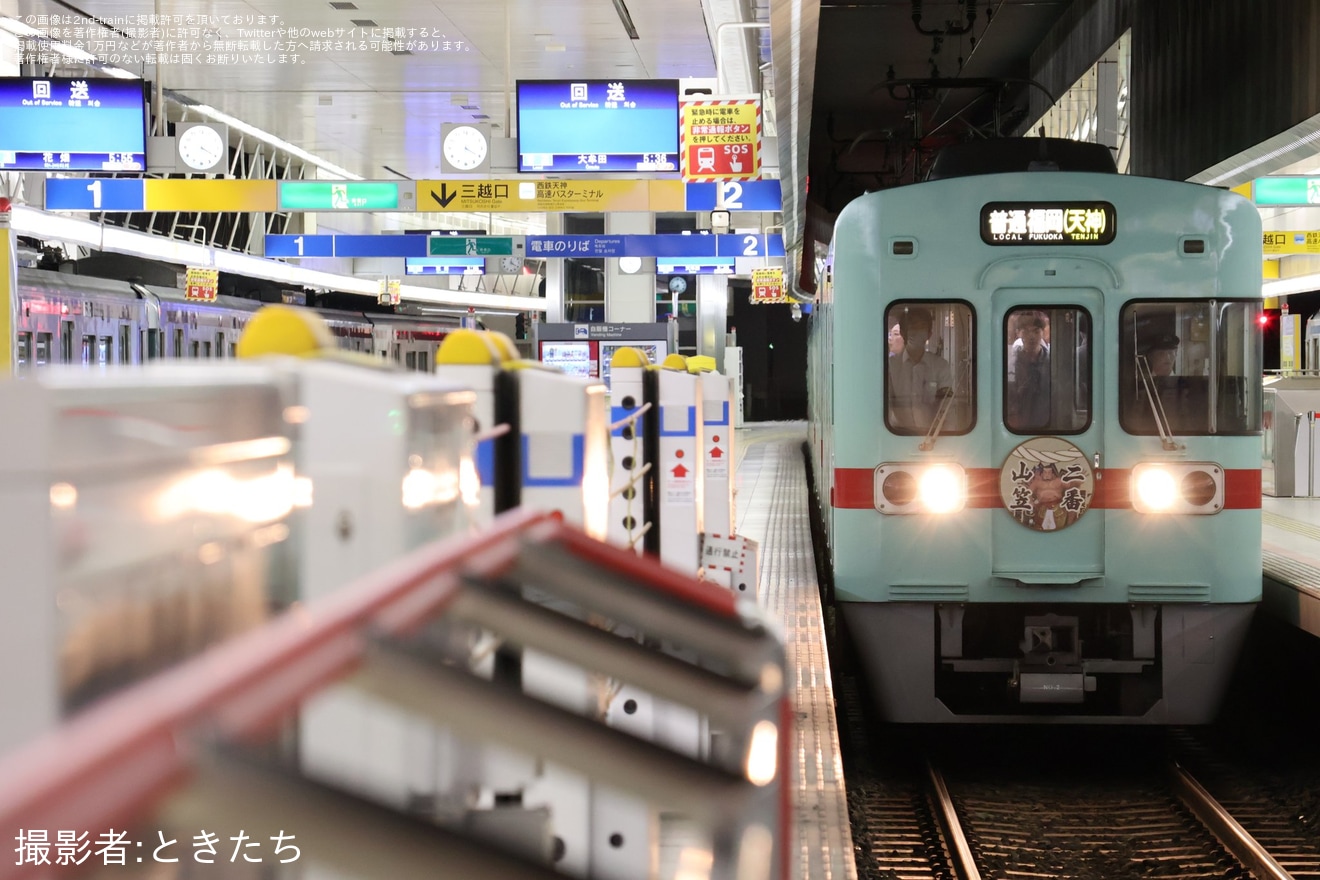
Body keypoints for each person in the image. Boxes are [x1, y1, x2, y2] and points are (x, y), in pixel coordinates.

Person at [888, 307, 952, 431]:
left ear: (929, 334)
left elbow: (947, 407)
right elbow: (886, 404)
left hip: (932, 438)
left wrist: (948, 438)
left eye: (921, 327)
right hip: (896, 436)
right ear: (903, 332)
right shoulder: (891, 366)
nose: (916, 331)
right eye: (912, 327)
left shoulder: (940, 366)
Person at [1007, 310, 1051, 431]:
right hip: (1016, 427)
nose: (1031, 336)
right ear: (1018, 333)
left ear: (1043, 333)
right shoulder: (1010, 364)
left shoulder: (1052, 364)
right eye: (1025, 331)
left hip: (1049, 425)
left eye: (1036, 331)